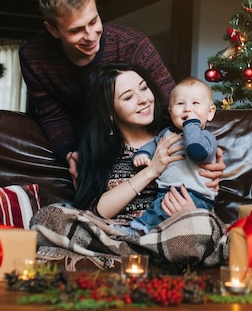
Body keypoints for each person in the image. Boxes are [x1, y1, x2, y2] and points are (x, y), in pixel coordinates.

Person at [19, 0, 176, 181]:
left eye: (93, 21)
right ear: (52, 30)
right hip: (89, 148)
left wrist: (199, 145)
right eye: (76, 30)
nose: (91, 36)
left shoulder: (133, 44)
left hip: (145, 148)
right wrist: (70, 153)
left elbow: (172, 101)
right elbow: (52, 115)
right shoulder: (34, 57)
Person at [73, 63, 216, 229]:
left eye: (144, 88)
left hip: (177, 233)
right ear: (109, 112)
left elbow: (206, 196)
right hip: (120, 234)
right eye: (128, 97)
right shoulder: (101, 152)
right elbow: (95, 214)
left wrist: (193, 215)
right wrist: (151, 171)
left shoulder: (179, 137)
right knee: (52, 214)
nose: (143, 100)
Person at [129, 77, 218, 234]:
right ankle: (149, 235)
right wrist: (144, 153)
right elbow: (154, 144)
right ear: (171, 112)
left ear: (210, 113)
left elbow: (195, 151)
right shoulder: (166, 133)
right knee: (160, 210)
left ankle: (140, 229)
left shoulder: (206, 137)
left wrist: (191, 125)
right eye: (180, 104)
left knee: (160, 211)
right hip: (167, 191)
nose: (187, 109)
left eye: (195, 103)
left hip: (196, 196)